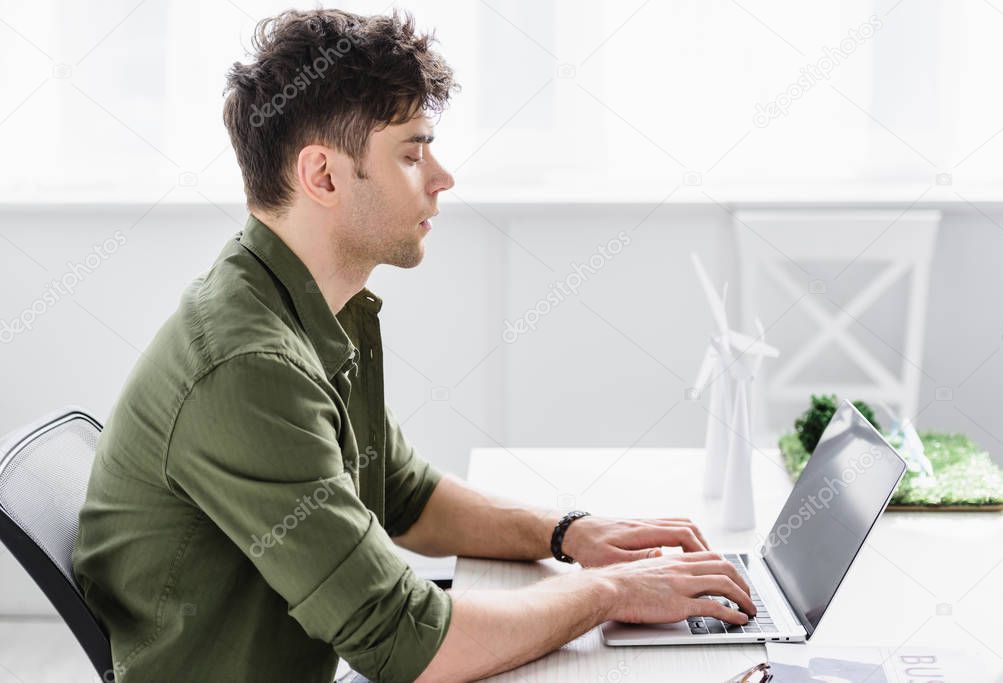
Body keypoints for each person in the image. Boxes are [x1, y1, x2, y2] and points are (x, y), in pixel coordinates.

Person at [72, 8, 754, 682]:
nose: (441, 176)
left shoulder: (309, 308)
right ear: (324, 176)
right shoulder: (249, 366)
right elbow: (403, 642)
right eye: (411, 151)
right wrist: (615, 591)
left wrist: (571, 533)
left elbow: (402, 493)